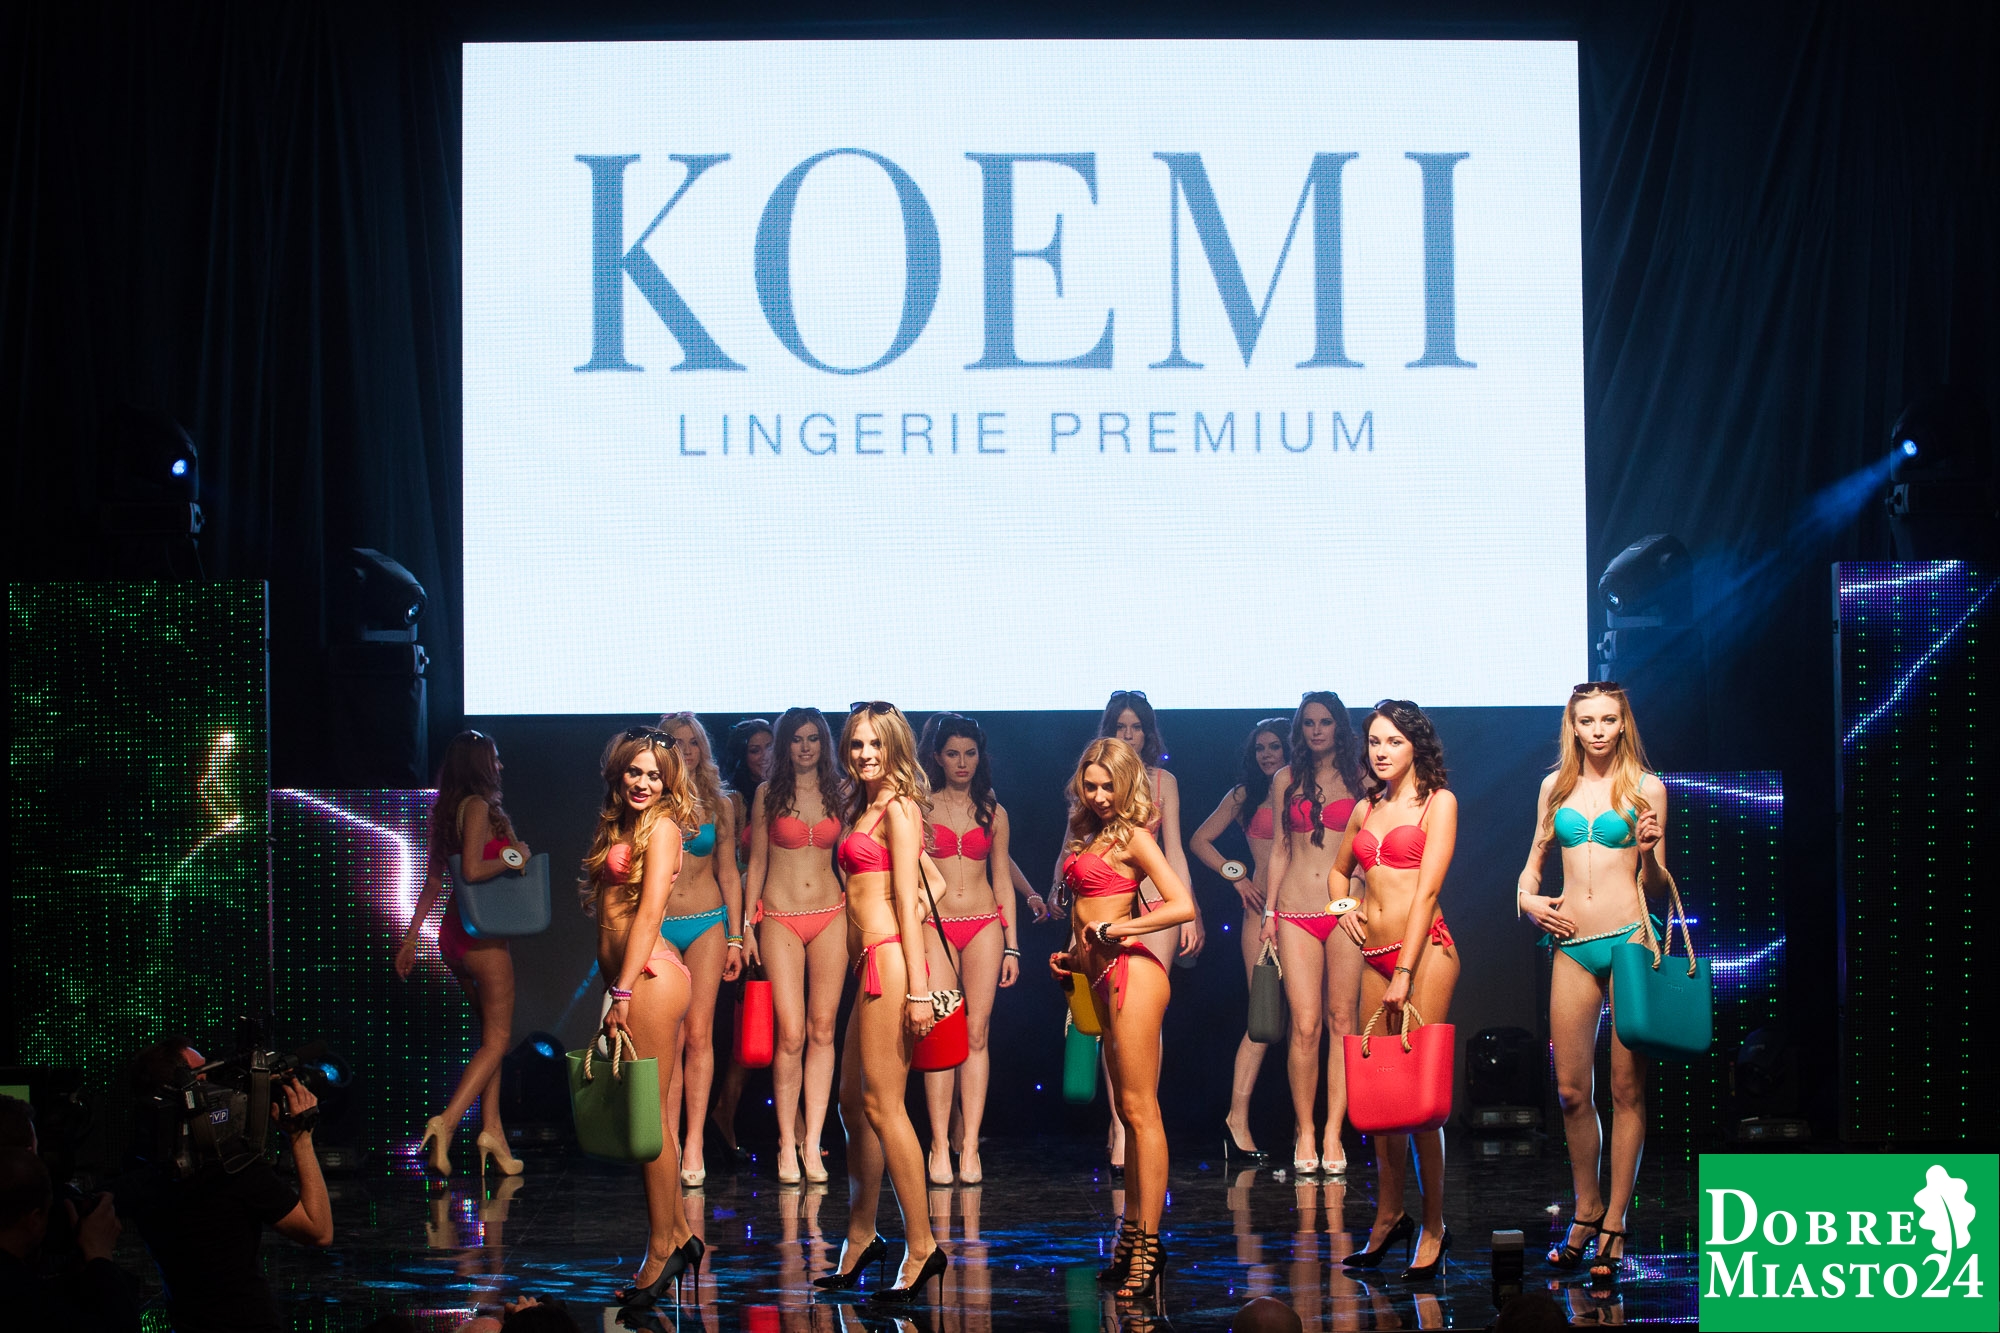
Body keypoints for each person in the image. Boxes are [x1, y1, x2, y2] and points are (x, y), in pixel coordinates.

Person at [1515, 682, 1672, 1280]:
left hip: (1630, 940)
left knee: (1626, 1090)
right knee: (1570, 1093)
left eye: (1608, 719)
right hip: (1572, 945)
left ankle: (1616, 1222)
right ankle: (1586, 1209)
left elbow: (1657, 887)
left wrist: (1650, 853)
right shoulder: (1553, 788)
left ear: (1623, 723)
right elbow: (1530, 870)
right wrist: (1529, 901)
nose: (1598, 730)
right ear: (1573, 726)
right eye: (1587, 721)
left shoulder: (1646, 788)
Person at [1049, 737, 1197, 1304]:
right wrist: (1073, 958)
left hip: (1134, 974)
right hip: (1098, 976)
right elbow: (1086, 913)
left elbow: (1180, 904)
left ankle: (1149, 1247)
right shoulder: (1087, 834)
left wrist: (1120, 930)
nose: (1100, 795)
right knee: (1127, 1116)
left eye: (1109, 785)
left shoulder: (1134, 837)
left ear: (1129, 783)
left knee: (1140, 1110)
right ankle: (1130, 1237)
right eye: (1091, 785)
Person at [813, 702, 948, 1302]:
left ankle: (923, 1247)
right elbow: (930, 881)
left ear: (895, 747)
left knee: (884, 1105)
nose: (865, 754)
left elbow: (910, 902)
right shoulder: (865, 807)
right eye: (856, 744)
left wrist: (918, 989)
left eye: (875, 744)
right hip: (866, 963)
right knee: (851, 1102)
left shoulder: (899, 807)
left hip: (889, 963)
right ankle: (862, 1234)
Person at [1330, 701, 1460, 1281]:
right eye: (1375, 742)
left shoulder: (1438, 803)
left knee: (1420, 1103)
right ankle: (1389, 1215)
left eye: (1394, 741)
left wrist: (1404, 971)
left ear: (1416, 746)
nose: (1381, 751)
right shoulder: (1366, 808)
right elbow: (1338, 873)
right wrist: (1343, 907)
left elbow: (1427, 891)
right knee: (1380, 1099)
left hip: (1425, 952)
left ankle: (1433, 1225)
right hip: (1373, 956)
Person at [582, 728, 708, 1308]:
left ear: (669, 782)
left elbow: (651, 910)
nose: (644, 782)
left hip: (649, 980)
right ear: (619, 772)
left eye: (655, 775)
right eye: (635, 771)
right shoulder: (621, 825)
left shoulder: (661, 829)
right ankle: (678, 1236)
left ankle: (661, 1250)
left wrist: (623, 990)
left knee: (648, 1122)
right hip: (631, 981)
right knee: (648, 1121)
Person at [122, 1037, 333, 1331]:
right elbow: (319, 1231)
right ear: (192, 1091)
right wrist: (301, 1138)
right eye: (205, 1075)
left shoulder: (142, 1174)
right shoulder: (234, 1169)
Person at [396, 730, 531, 1177]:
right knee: (497, 1041)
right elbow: (472, 871)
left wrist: (411, 939)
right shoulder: (476, 808)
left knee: (491, 1039)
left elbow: (435, 882)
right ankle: (447, 1122)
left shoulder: (448, 811)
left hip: (454, 937)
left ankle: (492, 1131)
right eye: (495, 758)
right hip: (482, 938)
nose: (501, 766)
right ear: (479, 765)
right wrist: (514, 856)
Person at [1074, 690, 1200, 1172]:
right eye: (1120, 727)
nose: (1129, 734)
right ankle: (1119, 1121)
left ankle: (1139, 1113)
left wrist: (1194, 913)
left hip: (1150, 907)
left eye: (1136, 727)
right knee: (1110, 1025)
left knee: (1142, 1018)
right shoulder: (1091, 803)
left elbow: (1175, 851)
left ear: (1147, 733)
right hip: (1104, 912)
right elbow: (1074, 868)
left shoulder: (1163, 783)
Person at [1258, 692, 1367, 1175]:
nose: (1317, 730)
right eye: (1308, 723)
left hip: (1345, 909)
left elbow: (1369, 846)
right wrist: (1269, 912)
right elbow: (1280, 849)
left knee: (1342, 1020)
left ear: (1338, 726)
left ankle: (1333, 1133)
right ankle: (1305, 1130)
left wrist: (1364, 895)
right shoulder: (1285, 779)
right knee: (1304, 1026)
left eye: (1325, 722)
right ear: (1300, 730)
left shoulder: (1362, 778)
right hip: (1295, 909)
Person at [741, 706, 847, 1184]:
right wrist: (746, 927)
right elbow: (757, 864)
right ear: (785, 745)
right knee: (790, 1034)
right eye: (797, 739)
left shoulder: (839, 792)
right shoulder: (768, 793)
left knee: (823, 1030)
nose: (806, 747)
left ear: (824, 744)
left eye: (813, 739)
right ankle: (787, 1140)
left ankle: (813, 1141)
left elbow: (848, 860)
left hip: (831, 914)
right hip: (780, 917)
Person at [915, 713, 1019, 1186]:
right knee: (941, 1033)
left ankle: (970, 1145)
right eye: (953, 754)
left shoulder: (993, 811)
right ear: (937, 757)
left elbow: (1003, 881)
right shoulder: (919, 808)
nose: (963, 762)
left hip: (983, 925)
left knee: (977, 1034)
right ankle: (939, 1143)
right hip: (934, 925)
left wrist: (1013, 946)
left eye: (970, 753)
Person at [1189, 718, 1291, 1164]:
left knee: (1310, 1021)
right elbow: (1199, 840)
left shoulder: (1309, 788)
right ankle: (1236, 1120)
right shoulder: (1244, 795)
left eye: (1275, 746)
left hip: (1307, 910)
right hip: (1261, 914)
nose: (1267, 755)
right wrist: (1237, 876)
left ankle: (1311, 1131)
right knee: (1265, 1020)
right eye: (1260, 748)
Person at [654, 712, 746, 1188]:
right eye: (677, 742)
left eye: (693, 742)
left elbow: (729, 871)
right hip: (661, 927)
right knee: (667, 1038)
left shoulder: (719, 803)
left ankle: (694, 1142)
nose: (686, 750)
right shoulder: (649, 799)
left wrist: (736, 936)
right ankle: (668, 1140)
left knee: (699, 1035)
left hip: (709, 922)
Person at [709, 716, 774, 1161]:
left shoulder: (787, 792)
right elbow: (726, 866)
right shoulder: (732, 800)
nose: (765, 756)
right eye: (755, 749)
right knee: (752, 1019)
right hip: (744, 917)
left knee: (783, 1021)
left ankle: (795, 1126)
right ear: (741, 756)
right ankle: (724, 1113)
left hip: (785, 909)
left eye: (770, 746)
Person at [0, 1148, 138, 1333]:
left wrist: (81, 1267)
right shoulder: (22, 1298)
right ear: (34, 1220)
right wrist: (99, 1254)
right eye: (47, 1214)